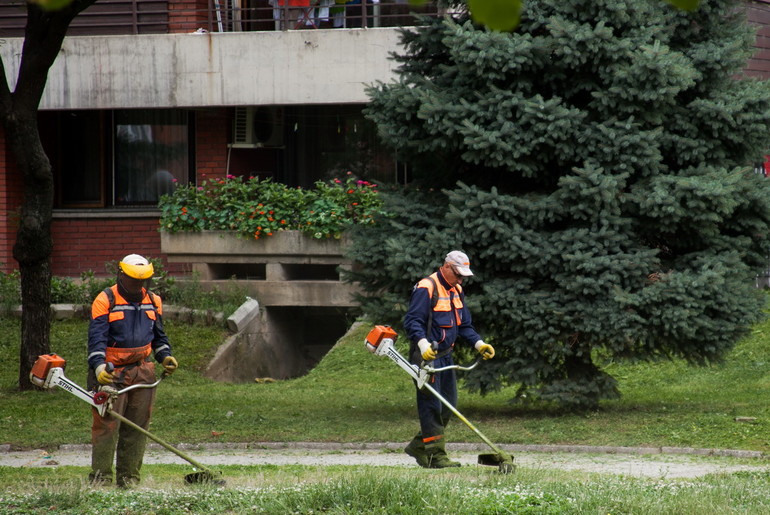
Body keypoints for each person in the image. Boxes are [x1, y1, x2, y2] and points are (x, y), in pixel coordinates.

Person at [86, 254, 178, 487]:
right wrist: (98, 368)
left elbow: (159, 337)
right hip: (111, 373)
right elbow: (96, 340)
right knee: (106, 428)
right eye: (134, 280)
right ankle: (101, 480)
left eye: (143, 281)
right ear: (121, 275)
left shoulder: (153, 300)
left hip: (142, 372)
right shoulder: (105, 299)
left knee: (137, 427)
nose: (138, 286)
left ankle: (129, 479)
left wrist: (165, 356)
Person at [402, 250, 495, 468]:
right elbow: (412, 321)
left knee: (448, 405)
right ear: (446, 267)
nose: (461, 279)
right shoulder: (427, 287)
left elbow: (464, 325)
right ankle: (436, 456)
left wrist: (478, 343)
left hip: (446, 357)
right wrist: (423, 344)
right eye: (458, 274)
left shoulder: (456, 290)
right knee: (431, 405)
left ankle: (418, 446)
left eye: (464, 276)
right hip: (426, 357)